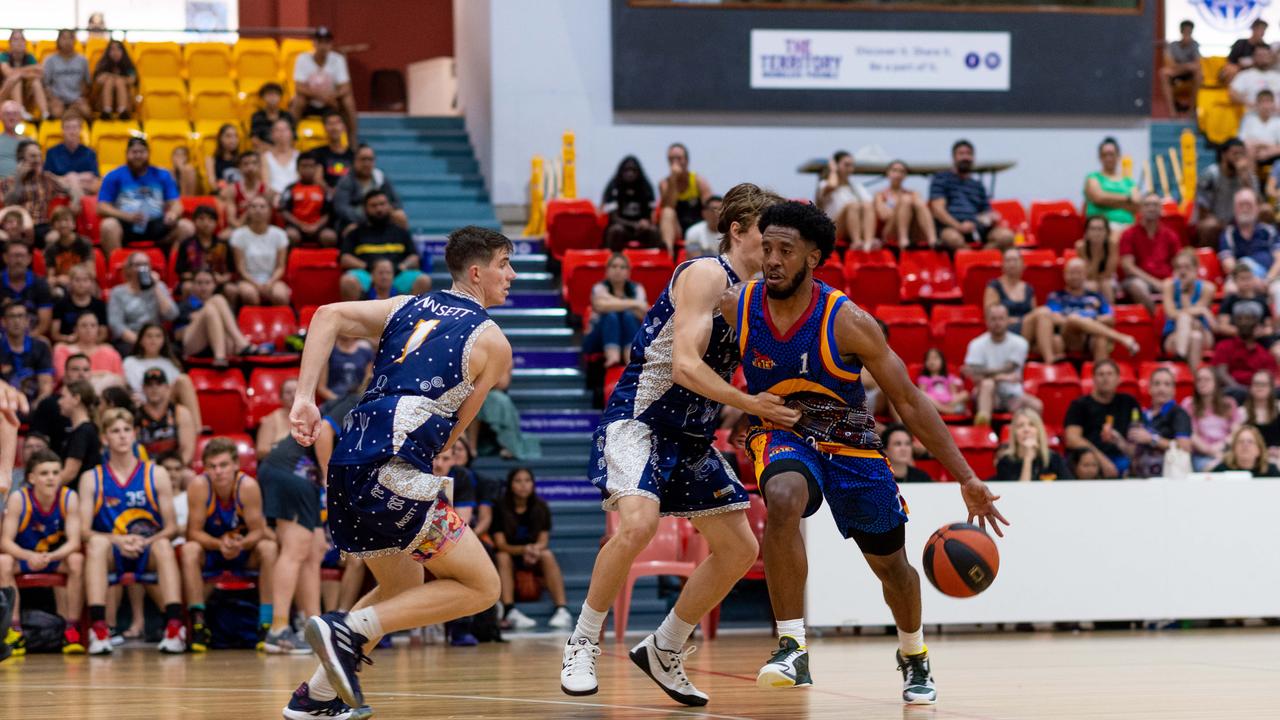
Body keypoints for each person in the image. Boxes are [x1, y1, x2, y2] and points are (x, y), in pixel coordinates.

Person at [720, 200, 1006, 704]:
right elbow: (684, 353)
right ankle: (791, 645)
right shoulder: (737, 305)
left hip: (851, 443)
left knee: (892, 567)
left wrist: (965, 476)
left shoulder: (848, 321)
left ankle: (913, 654)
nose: (772, 260)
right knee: (783, 498)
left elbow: (911, 403)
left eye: (786, 250)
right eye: (767, 248)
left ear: (813, 258)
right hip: (782, 432)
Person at [559, 184, 790, 705]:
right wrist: (753, 405)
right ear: (737, 230)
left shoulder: (757, 298)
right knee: (637, 523)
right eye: (766, 238)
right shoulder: (707, 274)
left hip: (690, 436)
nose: (776, 251)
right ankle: (582, 641)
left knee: (739, 548)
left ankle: (664, 647)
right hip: (640, 419)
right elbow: (685, 366)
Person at [279, 225, 518, 719]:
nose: (511, 275)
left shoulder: (406, 306)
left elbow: (326, 316)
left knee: (403, 592)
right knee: (483, 588)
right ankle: (348, 629)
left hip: (348, 463)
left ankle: (315, 697)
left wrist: (304, 397)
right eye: (503, 264)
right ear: (476, 272)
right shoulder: (492, 341)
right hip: (393, 471)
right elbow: (454, 432)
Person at [258, 383, 363, 656]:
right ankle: (278, 629)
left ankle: (314, 627)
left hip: (299, 472)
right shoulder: (356, 399)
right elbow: (325, 431)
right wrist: (331, 481)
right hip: (294, 469)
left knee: (315, 548)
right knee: (295, 549)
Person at [79, 407, 185, 655]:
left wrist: (147, 542)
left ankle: (174, 626)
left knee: (164, 545)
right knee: (95, 544)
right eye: (115, 431)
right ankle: (99, 628)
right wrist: (117, 540)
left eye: (127, 430)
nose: (122, 436)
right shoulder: (91, 478)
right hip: (112, 550)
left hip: (148, 548)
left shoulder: (155, 473)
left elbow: (170, 527)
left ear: (135, 434)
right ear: (105, 438)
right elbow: (84, 530)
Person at [182, 438, 277, 652]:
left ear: (236, 465)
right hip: (212, 551)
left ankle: (266, 624)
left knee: (268, 548)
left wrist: (240, 544)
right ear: (205, 468)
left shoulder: (248, 486)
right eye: (212, 466)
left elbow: (258, 531)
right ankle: (199, 624)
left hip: (243, 551)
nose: (218, 472)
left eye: (223, 465)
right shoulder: (199, 486)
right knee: (189, 550)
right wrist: (219, 544)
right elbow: (193, 532)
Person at [0, 449, 85, 655]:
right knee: (3, 561)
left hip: (53, 557)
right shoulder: (19, 499)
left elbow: (74, 542)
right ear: (31, 478)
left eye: (56, 473)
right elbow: (5, 542)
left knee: (76, 560)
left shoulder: (69, 497)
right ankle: (15, 630)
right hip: (25, 556)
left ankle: (71, 629)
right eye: (45, 473)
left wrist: (51, 557)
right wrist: (30, 556)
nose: (51, 478)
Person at [492, 467, 571, 631]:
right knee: (502, 556)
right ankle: (509, 610)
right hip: (511, 555)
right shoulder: (500, 507)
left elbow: (543, 541)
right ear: (510, 485)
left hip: (533, 556)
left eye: (527, 481)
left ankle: (561, 609)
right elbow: (500, 544)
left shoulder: (541, 506)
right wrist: (525, 549)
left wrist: (534, 550)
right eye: (518, 481)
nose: (523, 485)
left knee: (547, 554)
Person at [1035, 257, 1139, 364]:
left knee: (1101, 339)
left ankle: (1101, 373)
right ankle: (1122, 338)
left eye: (1079, 272)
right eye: (1071, 273)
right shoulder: (1056, 296)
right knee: (1072, 320)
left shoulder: (1096, 296)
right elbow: (1055, 318)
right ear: (1064, 275)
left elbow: (1110, 318)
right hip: (1068, 337)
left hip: (1091, 338)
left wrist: (1087, 323)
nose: (1075, 276)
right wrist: (1081, 321)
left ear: (1085, 275)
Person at [97, 137, 190, 254]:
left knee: (186, 227)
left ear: (149, 153)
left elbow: (176, 204)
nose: (138, 156)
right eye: (134, 152)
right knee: (108, 225)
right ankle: (116, 265)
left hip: (156, 224)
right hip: (126, 225)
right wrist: (126, 216)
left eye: (142, 152)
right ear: (126, 154)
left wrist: (173, 214)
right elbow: (101, 207)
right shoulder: (114, 175)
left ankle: (173, 267)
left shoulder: (162, 175)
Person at [338, 190, 429, 301]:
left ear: (390, 206)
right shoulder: (355, 232)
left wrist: (401, 267)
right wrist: (367, 267)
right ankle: (356, 318)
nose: (379, 209)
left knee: (423, 280)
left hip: (397, 274)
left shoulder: (401, 232)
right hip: (367, 273)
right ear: (365, 209)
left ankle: (412, 317)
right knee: (348, 281)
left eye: (382, 204)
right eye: (374, 205)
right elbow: (345, 258)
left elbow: (414, 258)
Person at [962, 303, 1042, 426]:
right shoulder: (976, 344)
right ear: (986, 321)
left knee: (1036, 405)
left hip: (1012, 395)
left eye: (1001, 319)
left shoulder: (1020, 343)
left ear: (1008, 320)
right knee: (987, 384)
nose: (997, 323)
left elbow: (1010, 367)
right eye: (993, 319)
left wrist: (982, 372)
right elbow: (975, 377)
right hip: (985, 394)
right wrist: (1003, 376)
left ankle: (1032, 440)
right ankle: (984, 428)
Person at [1063, 359, 1143, 478]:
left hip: (1122, 456)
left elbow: (1138, 433)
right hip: (1091, 458)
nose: (1105, 378)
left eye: (1110, 374)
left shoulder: (1129, 402)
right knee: (1088, 465)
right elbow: (1072, 438)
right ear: (1093, 379)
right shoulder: (1079, 405)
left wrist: (1124, 446)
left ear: (1118, 379)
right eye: (1101, 374)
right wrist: (1101, 460)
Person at [928, 140, 1014, 250]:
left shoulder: (977, 185)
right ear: (953, 157)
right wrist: (959, 226)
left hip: (977, 228)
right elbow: (938, 210)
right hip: (951, 227)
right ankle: (970, 259)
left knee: (1006, 237)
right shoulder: (941, 179)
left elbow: (985, 211)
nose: (965, 157)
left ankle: (980, 259)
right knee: (953, 239)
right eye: (961, 154)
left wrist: (991, 217)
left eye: (969, 154)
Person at [175, 269, 261, 368]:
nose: (203, 287)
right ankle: (225, 354)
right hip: (194, 346)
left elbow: (230, 329)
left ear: (214, 285)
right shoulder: (185, 306)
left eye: (207, 283)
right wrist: (201, 319)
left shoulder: (222, 304)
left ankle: (236, 347)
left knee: (218, 299)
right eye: (199, 283)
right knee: (210, 310)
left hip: (224, 345)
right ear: (193, 286)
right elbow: (177, 336)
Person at [2, 139, 77, 245]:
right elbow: (8, 203)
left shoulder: (47, 178)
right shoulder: (10, 181)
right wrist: (19, 180)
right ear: (21, 160)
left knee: (55, 237)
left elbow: (70, 190)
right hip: (18, 227)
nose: (37, 160)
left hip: (42, 225)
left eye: (39, 156)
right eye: (33, 156)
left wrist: (75, 200)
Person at [1119, 192, 1183, 314]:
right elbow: (1128, 267)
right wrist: (1155, 282)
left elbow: (1179, 264)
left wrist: (1169, 282)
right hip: (1139, 279)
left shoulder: (1170, 235)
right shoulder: (1128, 234)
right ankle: (1157, 321)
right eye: (1147, 205)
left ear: (1161, 209)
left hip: (1167, 280)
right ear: (1140, 209)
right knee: (1137, 286)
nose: (1151, 208)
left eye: (1155, 205)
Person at [290, 26, 358, 139]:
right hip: (310, 102)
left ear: (331, 44)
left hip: (330, 103)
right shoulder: (302, 59)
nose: (323, 46)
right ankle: (291, 137)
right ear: (314, 43)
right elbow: (299, 87)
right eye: (320, 42)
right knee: (298, 100)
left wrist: (331, 97)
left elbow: (346, 87)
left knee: (348, 100)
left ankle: (352, 139)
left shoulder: (338, 59)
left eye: (326, 42)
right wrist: (322, 97)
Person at [1217, 188, 1280, 309]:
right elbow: (1228, 264)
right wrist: (1249, 280)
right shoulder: (1228, 233)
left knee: (1279, 290)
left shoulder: (1269, 231)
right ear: (1235, 209)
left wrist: (1267, 280)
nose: (1245, 209)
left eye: (1249, 205)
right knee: (1231, 288)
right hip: (1240, 278)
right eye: (1241, 205)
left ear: (1257, 208)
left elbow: (1279, 260)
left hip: (1269, 278)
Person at [583, 252, 648, 368]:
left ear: (628, 272)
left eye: (622, 267)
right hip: (598, 338)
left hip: (629, 333)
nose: (618, 270)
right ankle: (613, 356)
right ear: (607, 270)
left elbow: (642, 312)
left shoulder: (638, 288)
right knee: (611, 315)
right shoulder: (599, 287)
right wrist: (635, 303)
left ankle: (630, 359)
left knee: (628, 316)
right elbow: (601, 306)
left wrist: (611, 301)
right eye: (614, 266)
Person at [1127, 367, 1193, 478]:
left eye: (1167, 384)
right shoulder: (1142, 415)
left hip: (1168, 478)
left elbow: (1184, 447)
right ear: (1149, 388)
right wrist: (1117, 441)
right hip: (1140, 478)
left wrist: (1152, 439)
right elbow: (1132, 451)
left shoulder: (1178, 413)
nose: (1161, 389)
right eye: (1157, 384)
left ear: (1174, 390)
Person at [106, 252, 179, 348]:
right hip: (131, 339)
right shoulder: (118, 292)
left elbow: (172, 315)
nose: (142, 269)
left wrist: (155, 286)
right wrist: (139, 342)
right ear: (128, 269)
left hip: (156, 337)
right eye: (138, 265)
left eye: (145, 265)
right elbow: (116, 324)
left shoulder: (159, 287)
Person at [229, 195, 291, 306]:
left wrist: (270, 283)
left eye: (262, 206)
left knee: (280, 295)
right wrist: (256, 284)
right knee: (249, 294)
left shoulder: (279, 234)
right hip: (248, 279)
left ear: (269, 211)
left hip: (272, 278)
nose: (258, 210)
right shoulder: (238, 235)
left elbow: (280, 267)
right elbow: (241, 268)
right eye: (253, 206)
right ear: (248, 211)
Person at [1196, 138, 1259, 248]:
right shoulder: (1210, 174)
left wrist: (1245, 180)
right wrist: (1222, 225)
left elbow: (1258, 205)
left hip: (1243, 221)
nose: (1238, 157)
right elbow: (1203, 211)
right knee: (1209, 225)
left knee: (1266, 212)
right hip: (1217, 222)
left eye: (1241, 154)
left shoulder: (1248, 176)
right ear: (1223, 155)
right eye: (1235, 153)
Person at [1161, 248, 1216, 370]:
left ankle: (1181, 356)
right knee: (1193, 333)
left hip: (1203, 332)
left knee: (1189, 321)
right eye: (1179, 268)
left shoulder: (1207, 288)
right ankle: (1194, 382)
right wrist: (1202, 310)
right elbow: (1170, 313)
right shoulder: (1169, 285)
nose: (1183, 272)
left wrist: (1184, 293)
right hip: (1174, 334)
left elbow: (1191, 315)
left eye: (1187, 267)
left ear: (1196, 269)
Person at [136, 367, 197, 477]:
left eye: (159, 384)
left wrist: (173, 468)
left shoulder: (180, 413)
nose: (154, 389)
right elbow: (132, 449)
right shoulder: (136, 415)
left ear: (167, 388)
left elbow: (187, 450)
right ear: (143, 388)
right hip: (146, 469)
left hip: (175, 467)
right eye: (150, 385)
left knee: (189, 476)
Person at [332, 145, 407, 233]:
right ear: (354, 161)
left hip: (380, 216)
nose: (367, 163)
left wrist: (384, 211)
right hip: (355, 220)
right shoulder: (345, 181)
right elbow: (341, 208)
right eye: (363, 159)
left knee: (400, 216)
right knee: (351, 230)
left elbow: (396, 202)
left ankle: (404, 245)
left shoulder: (380, 177)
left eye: (370, 159)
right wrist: (366, 217)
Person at [1183, 365, 1245, 471]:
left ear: (1215, 383)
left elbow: (1236, 432)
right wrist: (1212, 451)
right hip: (1201, 455)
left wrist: (1222, 447)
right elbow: (1191, 435)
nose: (1202, 383)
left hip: (1227, 451)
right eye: (1199, 380)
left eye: (1207, 379)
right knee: (1215, 468)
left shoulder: (1229, 403)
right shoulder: (1189, 404)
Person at [1212, 303, 1279, 399]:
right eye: (1240, 319)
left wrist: (1255, 392)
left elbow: (1270, 378)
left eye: (1249, 319)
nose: (1244, 323)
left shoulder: (1264, 353)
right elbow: (1221, 374)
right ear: (1235, 323)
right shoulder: (1224, 346)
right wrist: (1242, 390)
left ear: (1257, 324)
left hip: (1258, 394)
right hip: (1231, 394)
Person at [657, 142, 713, 253]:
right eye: (671, 159)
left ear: (686, 160)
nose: (675, 162)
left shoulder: (698, 180)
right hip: (677, 228)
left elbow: (709, 207)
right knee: (668, 212)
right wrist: (673, 179)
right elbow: (668, 205)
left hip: (698, 225)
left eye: (678, 158)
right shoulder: (665, 183)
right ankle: (668, 256)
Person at [817, 150, 875, 251]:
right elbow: (833, 185)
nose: (850, 169)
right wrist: (833, 170)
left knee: (867, 205)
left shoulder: (857, 187)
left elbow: (870, 206)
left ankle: (868, 243)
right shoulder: (824, 185)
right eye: (846, 165)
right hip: (833, 229)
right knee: (852, 206)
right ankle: (856, 242)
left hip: (856, 227)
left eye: (852, 165)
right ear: (835, 165)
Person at [992, 408, 1071, 481]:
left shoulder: (1054, 459)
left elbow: (1069, 487)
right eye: (1020, 426)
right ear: (1014, 433)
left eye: (1031, 425)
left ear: (1039, 431)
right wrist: (1028, 459)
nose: (1026, 429)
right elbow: (1020, 493)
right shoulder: (1006, 462)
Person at [601, 155, 661, 251]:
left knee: (653, 231)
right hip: (622, 228)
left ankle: (652, 263)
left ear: (639, 172)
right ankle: (614, 262)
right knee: (616, 230)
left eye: (633, 170)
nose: (630, 174)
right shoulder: (613, 186)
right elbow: (613, 217)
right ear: (621, 171)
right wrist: (634, 224)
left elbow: (652, 214)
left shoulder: (646, 187)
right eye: (627, 170)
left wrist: (647, 222)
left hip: (641, 230)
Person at [172, 205, 235, 297]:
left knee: (231, 289)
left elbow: (231, 271)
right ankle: (190, 310)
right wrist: (199, 278)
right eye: (201, 219)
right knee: (187, 287)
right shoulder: (186, 244)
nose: (206, 223)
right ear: (194, 221)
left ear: (216, 223)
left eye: (210, 220)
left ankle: (228, 311)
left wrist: (222, 279)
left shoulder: (223, 244)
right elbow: (181, 272)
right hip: (195, 282)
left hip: (218, 282)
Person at [874, 160, 937, 249]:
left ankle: (933, 240)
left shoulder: (913, 193)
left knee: (916, 202)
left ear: (905, 175)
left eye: (902, 172)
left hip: (913, 229)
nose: (898, 174)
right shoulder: (880, 194)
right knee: (906, 200)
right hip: (891, 231)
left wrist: (902, 211)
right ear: (888, 173)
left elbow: (921, 210)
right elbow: (883, 215)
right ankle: (903, 240)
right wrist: (903, 210)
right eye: (894, 170)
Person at [0, 300, 53, 404]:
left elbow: (46, 385)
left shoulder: (41, 347)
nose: (16, 321)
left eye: (20, 316)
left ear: (27, 321)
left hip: (35, 405)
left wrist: (36, 406)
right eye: (12, 316)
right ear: (3, 322)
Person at [281, 151, 337, 246]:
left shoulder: (323, 190)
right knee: (290, 235)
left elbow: (328, 213)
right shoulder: (290, 188)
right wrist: (300, 225)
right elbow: (284, 211)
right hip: (296, 227)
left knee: (330, 236)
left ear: (316, 168)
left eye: (311, 166)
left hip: (318, 228)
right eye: (304, 166)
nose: (307, 169)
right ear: (297, 168)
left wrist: (316, 226)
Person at [1083, 138, 1139, 233]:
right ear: (1100, 157)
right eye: (1105, 155)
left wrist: (1108, 199)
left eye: (1111, 154)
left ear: (1118, 156)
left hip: (1128, 226)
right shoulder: (1093, 178)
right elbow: (1099, 198)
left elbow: (1137, 203)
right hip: (1101, 229)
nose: (1108, 158)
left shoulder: (1128, 181)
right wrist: (1127, 199)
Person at [51, 311, 121, 385]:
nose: (88, 329)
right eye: (84, 325)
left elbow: (121, 379)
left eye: (93, 325)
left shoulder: (109, 351)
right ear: (75, 329)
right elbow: (62, 377)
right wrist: (104, 374)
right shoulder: (62, 350)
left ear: (98, 329)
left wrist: (81, 375)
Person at [1, 241, 53, 338]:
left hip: (31, 337)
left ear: (29, 259)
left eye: (22, 256)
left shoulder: (40, 284)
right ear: (5, 258)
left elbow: (44, 324)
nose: (18, 260)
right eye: (14, 256)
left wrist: (22, 341)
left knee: (44, 342)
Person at [982, 248, 1037, 335]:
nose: (1012, 264)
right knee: (1043, 313)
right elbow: (990, 316)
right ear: (1002, 265)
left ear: (1023, 264)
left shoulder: (1029, 288)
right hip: (1006, 329)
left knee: (1056, 341)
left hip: (1029, 329)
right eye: (1008, 260)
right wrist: (1020, 321)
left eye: (1015, 260)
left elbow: (1034, 313)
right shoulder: (995, 286)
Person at [42, 111, 98, 195]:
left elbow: (94, 177)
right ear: (62, 130)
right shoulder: (52, 152)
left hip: (85, 189)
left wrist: (74, 177)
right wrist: (66, 179)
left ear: (80, 129)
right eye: (68, 128)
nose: (72, 132)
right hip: (60, 191)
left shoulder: (90, 153)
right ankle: (78, 203)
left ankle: (76, 203)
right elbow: (47, 176)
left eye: (75, 128)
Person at [55, 379, 97, 487]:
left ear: (76, 399)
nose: (59, 402)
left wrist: (43, 490)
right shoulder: (82, 430)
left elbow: (70, 473)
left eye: (63, 396)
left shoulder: (83, 432)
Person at [42, 29, 91, 120]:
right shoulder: (50, 60)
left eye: (70, 38)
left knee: (86, 112)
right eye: (64, 38)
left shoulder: (83, 60)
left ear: (74, 41)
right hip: (57, 99)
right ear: (58, 41)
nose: (67, 41)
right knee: (57, 113)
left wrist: (81, 98)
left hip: (76, 99)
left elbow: (86, 83)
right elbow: (45, 85)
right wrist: (53, 99)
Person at [221, 150, 274, 233]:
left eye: (254, 163)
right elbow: (232, 220)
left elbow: (268, 220)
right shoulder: (232, 190)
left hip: (261, 229)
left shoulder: (267, 190)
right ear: (239, 168)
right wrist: (247, 214)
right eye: (246, 164)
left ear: (259, 167)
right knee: (225, 235)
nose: (250, 167)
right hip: (240, 229)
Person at [0, 30, 48, 120]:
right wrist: (28, 72)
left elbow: (40, 72)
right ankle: (19, 111)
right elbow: (8, 73)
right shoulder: (3, 56)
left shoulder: (29, 57)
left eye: (21, 39)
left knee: (35, 82)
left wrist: (20, 73)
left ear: (25, 43)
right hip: (5, 98)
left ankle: (45, 114)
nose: (19, 42)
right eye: (15, 39)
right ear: (10, 43)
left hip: (27, 99)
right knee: (15, 79)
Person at [43, 206, 93, 291]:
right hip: (62, 285)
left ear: (74, 224)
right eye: (58, 221)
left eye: (66, 220)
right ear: (53, 226)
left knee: (91, 286)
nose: (63, 224)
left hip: (81, 282)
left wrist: (70, 278)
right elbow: (50, 276)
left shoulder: (84, 243)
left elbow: (91, 273)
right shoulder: (50, 249)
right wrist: (57, 280)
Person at [1074, 215, 1119, 305]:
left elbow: (1109, 272)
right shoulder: (1081, 246)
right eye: (1093, 229)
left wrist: (1100, 249)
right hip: (1089, 279)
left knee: (1106, 284)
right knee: (1091, 286)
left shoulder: (1112, 244)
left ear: (1107, 232)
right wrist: (1096, 255)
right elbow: (1087, 274)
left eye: (1100, 229)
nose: (1096, 233)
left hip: (1107, 279)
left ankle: (1109, 314)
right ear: (1086, 232)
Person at [1162, 19, 1201, 116]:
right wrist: (1187, 66)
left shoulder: (1194, 44)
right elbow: (1170, 64)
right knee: (1163, 73)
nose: (1187, 34)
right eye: (1185, 31)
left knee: (1198, 74)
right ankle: (1172, 111)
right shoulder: (1173, 45)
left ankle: (1191, 110)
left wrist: (1183, 67)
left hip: (1188, 74)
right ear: (1181, 31)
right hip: (1177, 73)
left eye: (1189, 32)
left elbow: (1197, 65)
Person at [915, 348, 969, 417]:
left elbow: (954, 393)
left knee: (965, 394)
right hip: (933, 402)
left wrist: (954, 399)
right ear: (925, 363)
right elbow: (921, 395)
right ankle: (949, 411)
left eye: (935, 358)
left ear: (942, 361)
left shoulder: (949, 377)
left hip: (948, 401)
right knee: (922, 394)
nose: (932, 362)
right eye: (929, 359)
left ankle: (942, 409)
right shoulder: (923, 378)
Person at [91, 39, 136, 121]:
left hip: (126, 102)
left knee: (119, 81)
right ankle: (107, 110)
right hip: (102, 102)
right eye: (112, 49)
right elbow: (97, 81)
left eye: (118, 49)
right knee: (109, 81)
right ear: (108, 52)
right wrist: (110, 78)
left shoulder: (128, 65)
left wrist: (117, 79)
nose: (115, 52)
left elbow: (132, 80)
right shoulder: (102, 65)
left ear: (123, 52)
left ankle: (123, 111)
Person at [319, 336, 373, 402]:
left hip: (358, 398)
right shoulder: (329, 352)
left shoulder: (366, 352)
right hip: (334, 399)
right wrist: (340, 401)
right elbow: (321, 388)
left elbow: (368, 381)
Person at [1211, 424, 1280, 475]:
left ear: (1259, 450)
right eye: (1241, 441)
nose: (1245, 445)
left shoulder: (1271, 471)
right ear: (1234, 449)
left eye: (1250, 442)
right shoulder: (1221, 471)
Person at [256, 378, 297, 458]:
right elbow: (261, 451)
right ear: (281, 398)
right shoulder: (271, 420)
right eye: (288, 392)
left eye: (297, 391)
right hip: (279, 464)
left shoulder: (310, 417)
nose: (293, 395)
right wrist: (285, 449)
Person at [1244, 370, 1280, 460]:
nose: (1259, 387)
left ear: (1271, 388)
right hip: (1251, 459)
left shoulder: (1279, 407)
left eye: (1263, 384)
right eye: (1256, 384)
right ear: (1251, 387)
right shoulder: (1242, 412)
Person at [312, 110, 353, 189]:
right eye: (330, 124)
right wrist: (330, 192)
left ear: (344, 127)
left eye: (337, 123)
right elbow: (317, 179)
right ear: (324, 128)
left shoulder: (352, 154)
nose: (334, 127)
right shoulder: (318, 153)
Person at [249, 82, 295, 151]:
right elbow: (254, 139)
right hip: (263, 151)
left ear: (280, 97)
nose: (272, 97)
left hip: (284, 150)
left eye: (275, 94)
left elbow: (293, 139)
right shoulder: (257, 116)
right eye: (269, 94)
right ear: (262, 98)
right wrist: (272, 151)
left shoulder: (287, 116)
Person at [263, 118, 300, 197]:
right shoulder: (265, 157)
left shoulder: (299, 156)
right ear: (272, 134)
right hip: (272, 198)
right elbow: (265, 184)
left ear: (291, 133)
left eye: (285, 129)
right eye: (277, 130)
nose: (281, 133)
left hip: (294, 197)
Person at [1241, 90, 1280, 163]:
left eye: (1268, 101)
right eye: (1262, 102)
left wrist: (1268, 152)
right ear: (1257, 104)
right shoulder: (1248, 119)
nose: (1265, 106)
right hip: (1252, 152)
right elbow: (1243, 140)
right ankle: (1252, 174)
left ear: (1273, 104)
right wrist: (1262, 144)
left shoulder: (1278, 121)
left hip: (1273, 154)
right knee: (1249, 149)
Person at [204, 123, 243, 193]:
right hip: (221, 195)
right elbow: (213, 184)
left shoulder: (242, 159)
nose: (233, 140)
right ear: (220, 138)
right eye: (228, 136)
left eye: (236, 136)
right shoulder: (211, 159)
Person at [682, 195, 722, 259]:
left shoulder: (730, 233)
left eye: (720, 209)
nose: (717, 213)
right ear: (704, 212)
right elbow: (695, 261)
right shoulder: (693, 232)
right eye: (713, 209)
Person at [0, 101, 22, 178]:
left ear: (20, 117)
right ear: (1, 117)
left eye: (15, 114)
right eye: (7, 114)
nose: (11, 118)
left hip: (23, 185)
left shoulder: (28, 142)